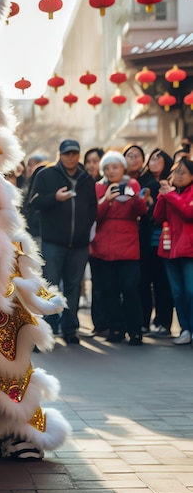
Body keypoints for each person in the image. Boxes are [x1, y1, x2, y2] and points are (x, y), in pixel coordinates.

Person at [27, 139, 97, 344]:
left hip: (79, 245)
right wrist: (54, 198)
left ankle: (70, 328)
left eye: (74, 153)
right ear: (60, 154)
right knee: (50, 286)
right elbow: (33, 202)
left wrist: (85, 230)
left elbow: (93, 208)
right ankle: (48, 329)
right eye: (67, 153)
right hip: (53, 242)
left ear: (79, 155)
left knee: (74, 287)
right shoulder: (46, 175)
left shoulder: (87, 179)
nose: (71, 157)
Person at [90, 151, 149, 346]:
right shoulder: (99, 187)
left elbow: (142, 211)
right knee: (109, 290)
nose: (111, 171)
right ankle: (116, 328)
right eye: (107, 168)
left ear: (123, 168)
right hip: (103, 246)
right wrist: (106, 199)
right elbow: (94, 215)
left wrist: (135, 199)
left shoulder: (133, 184)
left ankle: (135, 330)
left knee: (131, 288)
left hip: (128, 246)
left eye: (115, 167)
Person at [153, 157, 193, 345]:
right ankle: (185, 329)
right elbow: (158, 216)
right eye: (175, 171)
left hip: (189, 250)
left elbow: (188, 212)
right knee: (177, 292)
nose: (177, 176)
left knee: (191, 291)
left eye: (182, 172)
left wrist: (170, 195)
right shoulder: (169, 192)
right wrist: (162, 196)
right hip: (169, 249)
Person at [137, 148, 174, 336]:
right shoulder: (142, 183)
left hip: (166, 241)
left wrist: (152, 203)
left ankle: (163, 323)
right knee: (144, 281)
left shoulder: (172, 183)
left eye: (158, 158)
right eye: (151, 158)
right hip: (145, 240)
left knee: (162, 283)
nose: (153, 161)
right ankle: (143, 321)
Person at [82, 147, 105, 330]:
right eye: (88, 161)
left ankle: (104, 323)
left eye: (95, 161)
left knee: (101, 284)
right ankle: (97, 324)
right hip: (84, 240)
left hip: (103, 240)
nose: (91, 165)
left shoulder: (108, 183)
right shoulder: (82, 183)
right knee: (91, 284)